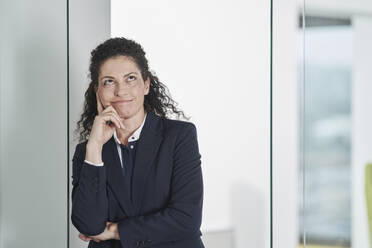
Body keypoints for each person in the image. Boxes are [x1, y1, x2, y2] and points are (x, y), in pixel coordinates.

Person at [71, 37, 205, 248]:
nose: (121, 91)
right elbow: (89, 225)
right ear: (97, 91)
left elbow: (186, 219)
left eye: (130, 78)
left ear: (146, 85)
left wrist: (116, 231)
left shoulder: (179, 136)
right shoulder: (87, 152)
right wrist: (95, 147)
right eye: (109, 81)